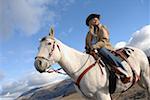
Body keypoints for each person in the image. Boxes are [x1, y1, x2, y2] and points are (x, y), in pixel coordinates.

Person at [85, 13, 130, 83]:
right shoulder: (88, 34)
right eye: (93, 19)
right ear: (90, 22)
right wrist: (88, 49)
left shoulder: (102, 27)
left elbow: (104, 40)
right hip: (92, 50)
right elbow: (87, 44)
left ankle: (123, 71)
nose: (95, 20)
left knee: (102, 51)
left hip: (103, 47)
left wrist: (95, 46)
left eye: (96, 18)